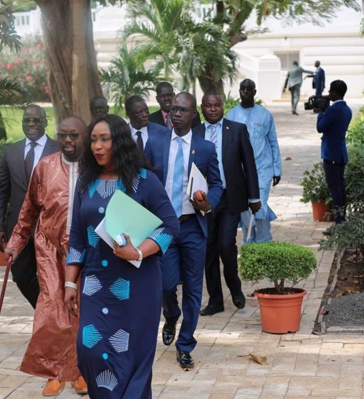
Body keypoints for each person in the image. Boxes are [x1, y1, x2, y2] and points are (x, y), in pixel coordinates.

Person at [64, 114, 179, 398]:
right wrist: (69, 283)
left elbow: (169, 225)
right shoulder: (85, 184)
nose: (97, 147)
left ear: (121, 142)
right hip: (95, 285)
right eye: (93, 140)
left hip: (137, 287)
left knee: (131, 357)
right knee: (90, 352)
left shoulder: (144, 181)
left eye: (105, 139)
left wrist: (138, 251)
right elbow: (78, 237)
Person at [3, 117, 88, 397]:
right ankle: (55, 372)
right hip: (50, 248)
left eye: (74, 135)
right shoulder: (46, 166)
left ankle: (79, 371)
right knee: (52, 309)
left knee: (81, 311)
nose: (67, 140)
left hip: (86, 250)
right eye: (62, 135)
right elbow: (29, 209)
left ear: (83, 136)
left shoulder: (96, 168)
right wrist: (16, 241)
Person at [146, 93, 223, 370]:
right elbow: (143, 180)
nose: (176, 113)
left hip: (192, 226)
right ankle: (171, 313)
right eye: (173, 109)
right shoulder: (154, 144)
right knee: (166, 284)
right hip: (164, 226)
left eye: (183, 110)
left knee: (193, 287)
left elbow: (216, 184)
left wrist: (208, 202)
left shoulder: (205, 149)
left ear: (193, 115)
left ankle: (185, 343)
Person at [194, 93, 261, 316]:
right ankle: (215, 300)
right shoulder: (196, 133)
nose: (213, 109)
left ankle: (235, 287)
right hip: (205, 200)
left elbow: (249, 165)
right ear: (201, 108)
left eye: (217, 105)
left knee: (226, 245)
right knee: (208, 251)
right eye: (208, 106)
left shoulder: (237, 129)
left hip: (230, 197)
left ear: (222, 107)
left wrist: (254, 197)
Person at [0, 105, 60, 309]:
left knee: (53, 276)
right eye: (26, 120)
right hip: (19, 226)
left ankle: (50, 319)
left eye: (36, 120)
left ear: (45, 121)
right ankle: (47, 313)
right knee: (21, 275)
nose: (31, 124)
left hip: (51, 226)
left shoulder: (58, 150)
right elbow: (1, 191)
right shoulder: (10, 152)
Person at [227, 79, 281, 244]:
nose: (245, 92)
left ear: (254, 92)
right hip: (240, 170)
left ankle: (264, 241)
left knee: (260, 203)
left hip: (262, 167)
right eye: (242, 89)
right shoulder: (231, 115)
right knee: (245, 207)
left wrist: (277, 169)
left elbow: (273, 142)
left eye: (249, 89)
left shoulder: (265, 115)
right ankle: (249, 241)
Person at [316, 80, 352, 228]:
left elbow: (320, 127)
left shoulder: (332, 110)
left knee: (335, 190)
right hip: (340, 153)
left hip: (331, 154)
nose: (328, 94)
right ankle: (341, 221)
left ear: (335, 93)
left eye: (330, 91)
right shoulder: (347, 109)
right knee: (340, 188)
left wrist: (321, 112)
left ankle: (339, 223)